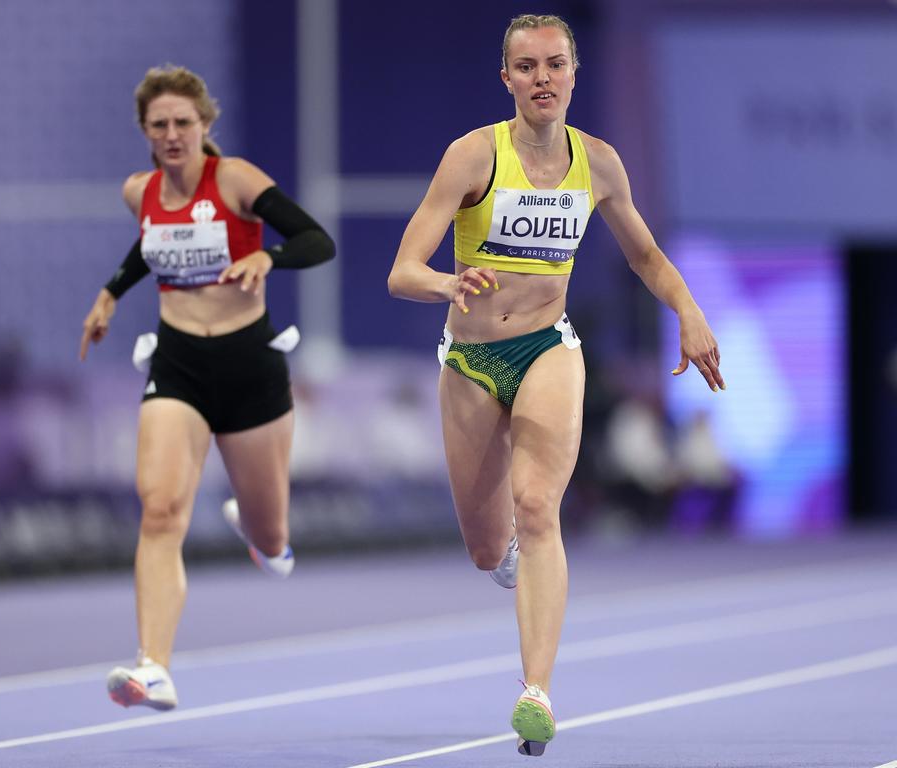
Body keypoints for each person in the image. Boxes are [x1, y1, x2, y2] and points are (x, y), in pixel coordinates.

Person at [387, 14, 724, 757]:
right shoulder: (474, 155)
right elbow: (401, 271)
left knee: (538, 504)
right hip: (472, 361)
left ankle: (535, 691)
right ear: (506, 78)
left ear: (574, 74)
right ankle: (504, 554)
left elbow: (645, 255)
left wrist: (690, 313)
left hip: (547, 347)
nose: (543, 78)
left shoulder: (598, 163)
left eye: (556, 64)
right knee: (486, 548)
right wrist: (448, 281)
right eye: (527, 66)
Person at [79, 65, 334, 711]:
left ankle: (258, 534)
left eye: (183, 124)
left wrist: (266, 257)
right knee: (161, 509)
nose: (172, 135)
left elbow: (315, 239)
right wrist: (110, 293)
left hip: (251, 365)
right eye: (159, 125)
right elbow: (148, 247)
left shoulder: (237, 179)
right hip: (179, 364)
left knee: (273, 538)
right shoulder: (139, 192)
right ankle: (153, 666)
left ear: (204, 126)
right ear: (145, 132)